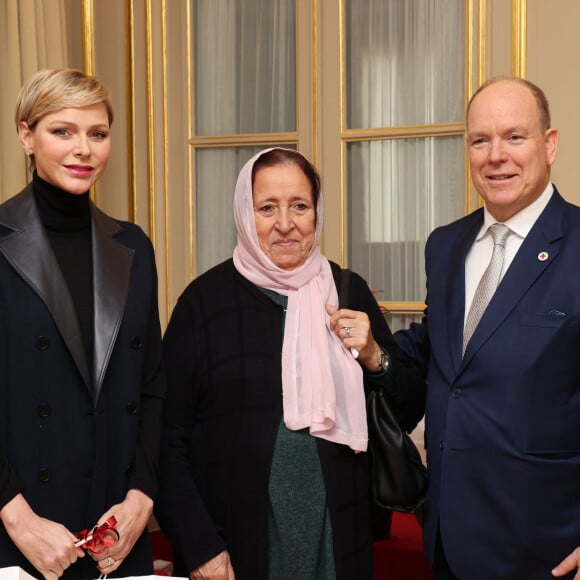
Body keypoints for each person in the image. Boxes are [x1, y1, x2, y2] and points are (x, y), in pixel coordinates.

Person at [155, 147, 426, 580]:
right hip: (236, 545)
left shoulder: (348, 291)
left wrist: (375, 356)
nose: (285, 223)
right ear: (246, 213)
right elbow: (166, 442)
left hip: (339, 534)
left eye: (299, 206)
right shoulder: (202, 304)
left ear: (316, 213)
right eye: (267, 208)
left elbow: (407, 410)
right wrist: (199, 546)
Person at [394, 76, 580, 579]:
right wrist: (373, 351)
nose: (496, 155)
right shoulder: (446, 245)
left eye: (514, 137)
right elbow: (443, 357)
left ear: (550, 144)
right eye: (481, 140)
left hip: (549, 551)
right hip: (448, 542)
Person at [0, 68, 165, 579]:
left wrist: (140, 500)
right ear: (26, 135)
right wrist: (19, 519)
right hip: (21, 535)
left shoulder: (133, 246)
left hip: (115, 531)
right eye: (62, 131)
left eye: (98, 133)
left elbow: (154, 385)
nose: (84, 150)